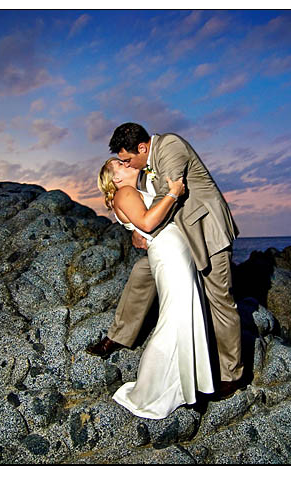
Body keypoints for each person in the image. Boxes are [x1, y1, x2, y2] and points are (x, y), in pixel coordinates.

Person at [87, 123, 245, 401]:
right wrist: (137, 226)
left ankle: (231, 375)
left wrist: (144, 228)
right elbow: (139, 205)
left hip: (205, 232)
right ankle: (120, 335)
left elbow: (166, 195)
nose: (125, 163)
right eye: (121, 163)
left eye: (126, 159)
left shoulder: (170, 146)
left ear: (142, 148)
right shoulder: (137, 176)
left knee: (220, 299)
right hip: (175, 238)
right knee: (140, 272)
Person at [97, 157, 214, 419]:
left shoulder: (133, 190)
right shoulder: (125, 192)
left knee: (185, 317)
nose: (126, 162)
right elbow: (147, 223)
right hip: (169, 253)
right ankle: (151, 391)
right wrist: (173, 193)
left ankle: (185, 386)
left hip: (176, 250)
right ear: (115, 179)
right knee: (173, 321)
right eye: (120, 164)